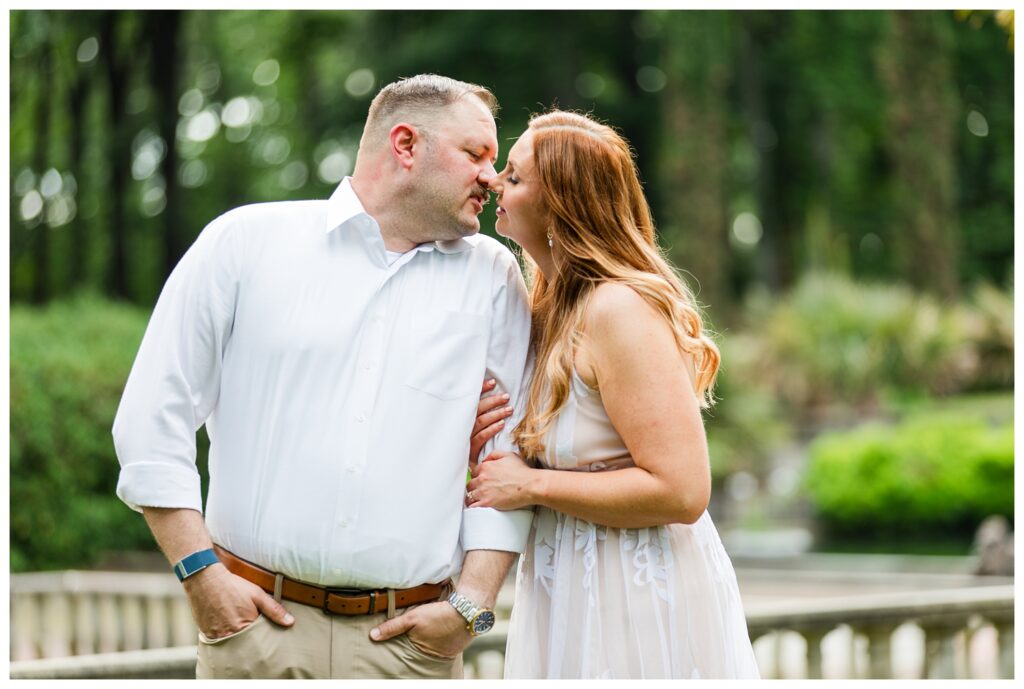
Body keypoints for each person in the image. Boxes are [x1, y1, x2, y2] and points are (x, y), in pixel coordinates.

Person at [112, 74, 534, 679]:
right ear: (406, 144)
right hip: (255, 636)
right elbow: (152, 421)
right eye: (477, 154)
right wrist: (201, 578)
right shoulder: (243, 244)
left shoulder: (492, 276)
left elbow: (509, 456)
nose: (492, 177)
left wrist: (472, 608)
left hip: (410, 650)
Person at [465, 111, 761, 679]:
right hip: (568, 584)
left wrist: (531, 484)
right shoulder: (550, 306)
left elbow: (682, 489)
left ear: (561, 206)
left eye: (516, 177)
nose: (495, 182)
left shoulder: (618, 309)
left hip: (634, 591)